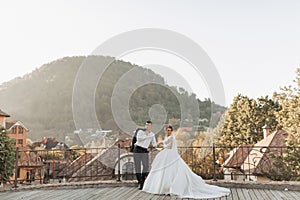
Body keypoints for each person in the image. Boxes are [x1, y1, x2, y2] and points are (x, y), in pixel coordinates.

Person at [142, 125, 230, 199]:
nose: (169, 132)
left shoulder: (172, 137)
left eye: (170, 130)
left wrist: (162, 144)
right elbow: (166, 144)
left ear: (171, 131)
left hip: (170, 154)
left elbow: (170, 146)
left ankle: (170, 188)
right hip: (166, 154)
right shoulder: (167, 136)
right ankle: (162, 187)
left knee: (172, 170)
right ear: (166, 131)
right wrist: (161, 143)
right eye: (167, 130)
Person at [133, 120, 158, 190]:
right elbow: (139, 139)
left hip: (144, 150)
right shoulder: (140, 132)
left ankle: (143, 181)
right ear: (145, 125)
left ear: (151, 126)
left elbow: (154, 144)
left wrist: (161, 144)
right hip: (137, 149)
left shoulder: (152, 134)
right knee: (137, 167)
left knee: (146, 166)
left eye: (149, 125)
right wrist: (147, 136)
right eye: (147, 125)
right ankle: (140, 182)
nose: (148, 126)